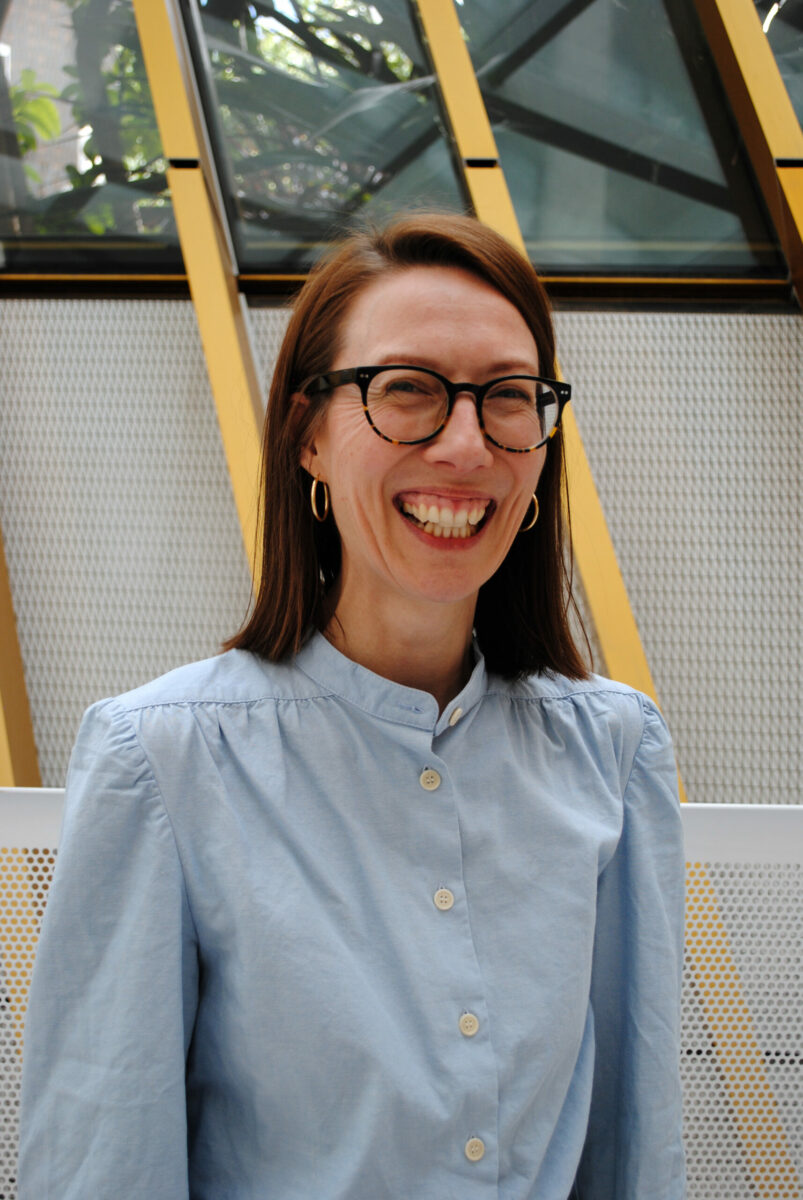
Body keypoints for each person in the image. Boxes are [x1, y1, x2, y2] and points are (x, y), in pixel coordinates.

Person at [18, 213, 686, 1199]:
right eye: (407, 389)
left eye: (508, 397)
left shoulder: (615, 749)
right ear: (309, 435)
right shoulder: (160, 759)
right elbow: (103, 1161)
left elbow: (635, 1146)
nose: (465, 445)